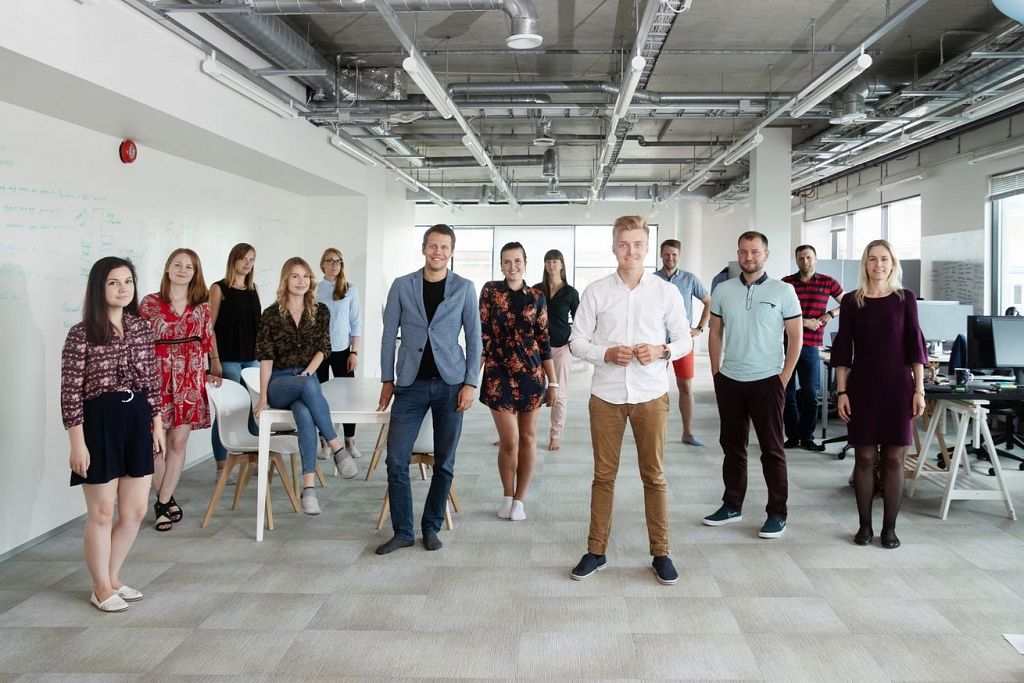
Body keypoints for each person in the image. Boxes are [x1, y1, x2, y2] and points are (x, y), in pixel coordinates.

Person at [568, 216, 691, 585]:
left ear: (647, 248)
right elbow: (577, 342)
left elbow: (684, 339)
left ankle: (661, 553)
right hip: (606, 396)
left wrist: (662, 350)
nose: (631, 251)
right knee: (603, 476)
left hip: (650, 394)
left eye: (637, 245)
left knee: (654, 476)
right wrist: (605, 354)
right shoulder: (596, 292)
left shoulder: (665, 292)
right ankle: (596, 551)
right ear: (613, 247)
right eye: (624, 244)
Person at [61, 257, 166, 611]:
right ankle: (101, 587)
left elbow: (152, 380)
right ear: (99, 288)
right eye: (113, 283)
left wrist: (157, 424)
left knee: (135, 509)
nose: (123, 289)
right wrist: (77, 442)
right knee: (103, 511)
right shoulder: (81, 333)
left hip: (137, 419)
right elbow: (70, 392)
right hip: (99, 422)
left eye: (128, 282)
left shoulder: (141, 328)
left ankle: (114, 577)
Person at [375, 224, 481, 554]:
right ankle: (403, 531)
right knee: (396, 460)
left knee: (444, 462)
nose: (438, 252)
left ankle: (431, 526)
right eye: (433, 245)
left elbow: (474, 338)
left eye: (444, 247)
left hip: (451, 384)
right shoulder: (402, 285)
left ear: (452, 252)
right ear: (423, 248)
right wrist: (387, 380)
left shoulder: (464, 288)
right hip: (410, 384)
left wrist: (470, 382)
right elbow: (388, 335)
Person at [703, 231, 802, 539]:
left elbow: (796, 337)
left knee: (772, 450)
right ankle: (732, 505)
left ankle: (777, 513)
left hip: (767, 381)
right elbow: (715, 332)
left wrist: (783, 378)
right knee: (732, 447)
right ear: (738, 254)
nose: (749, 257)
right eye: (744, 252)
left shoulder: (783, 291)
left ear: (766, 255)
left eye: (755, 252)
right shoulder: (723, 290)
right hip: (730, 380)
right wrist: (716, 373)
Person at [831, 240, 927, 550]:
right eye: (872, 259)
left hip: (898, 386)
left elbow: (915, 345)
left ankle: (889, 528)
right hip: (862, 386)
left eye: (884, 259)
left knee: (894, 458)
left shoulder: (905, 298)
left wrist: (919, 389)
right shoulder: (852, 301)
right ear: (865, 264)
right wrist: (841, 391)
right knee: (865, 457)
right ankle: (864, 525)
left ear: (893, 263)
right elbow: (843, 348)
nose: (878, 265)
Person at [253, 257, 359, 516]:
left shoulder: (320, 311)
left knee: (304, 411)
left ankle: (308, 489)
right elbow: (266, 359)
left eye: (305, 276)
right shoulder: (271, 315)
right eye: (295, 276)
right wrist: (263, 396)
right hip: (279, 382)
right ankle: (336, 446)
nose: (301, 281)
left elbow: (324, 348)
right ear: (285, 280)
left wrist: (308, 372)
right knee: (309, 386)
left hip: (306, 377)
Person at [139, 248, 221, 531]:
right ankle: (167, 497)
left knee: (177, 443)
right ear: (167, 268)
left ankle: (162, 503)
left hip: (189, 378)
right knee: (152, 444)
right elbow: (137, 345)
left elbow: (206, 341)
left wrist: (211, 370)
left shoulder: (202, 306)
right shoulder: (149, 303)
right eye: (178, 265)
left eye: (189, 267)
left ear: (195, 273)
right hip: (156, 379)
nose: (183, 270)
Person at [480, 242, 558, 521]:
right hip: (497, 374)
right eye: (507, 261)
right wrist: (468, 380)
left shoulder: (537, 296)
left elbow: (543, 340)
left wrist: (554, 383)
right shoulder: (490, 291)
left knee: (528, 438)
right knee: (510, 440)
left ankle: (520, 500)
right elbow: (484, 336)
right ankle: (507, 494)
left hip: (531, 375)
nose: (512, 266)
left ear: (525, 262)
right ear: (501, 265)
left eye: (517, 261)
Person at [781, 244, 844, 452]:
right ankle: (792, 436)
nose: (805, 261)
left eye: (808, 257)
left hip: (811, 346)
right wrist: (804, 322)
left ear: (815, 259)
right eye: (801, 258)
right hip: (788, 345)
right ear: (796, 260)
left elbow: (848, 302)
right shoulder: (786, 283)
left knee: (810, 393)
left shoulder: (827, 282)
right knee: (787, 393)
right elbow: (776, 312)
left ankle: (807, 436)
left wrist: (831, 314)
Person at [208, 243, 261, 482]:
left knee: (254, 409)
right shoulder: (218, 289)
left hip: (252, 358)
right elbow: (209, 328)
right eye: (244, 258)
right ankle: (222, 466)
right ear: (234, 260)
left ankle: (256, 460)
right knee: (227, 411)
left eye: (252, 259)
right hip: (227, 358)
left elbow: (258, 326)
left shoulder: (254, 289)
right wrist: (214, 359)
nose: (248, 263)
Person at [654, 239, 711, 446]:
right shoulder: (652, 279)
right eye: (667, 254)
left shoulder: (690, 279)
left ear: (679, 256)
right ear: (661, 255)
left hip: (682, 341)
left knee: (685, 386)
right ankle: (654, 433)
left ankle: (688, 433)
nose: (670, 258)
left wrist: (700, 328)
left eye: (674, 255)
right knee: (654, 388)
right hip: (657, 342)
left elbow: (708, 301)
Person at [316, 247, 362, 459]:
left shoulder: (350, 289)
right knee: (319, 398)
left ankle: (349, 441)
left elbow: (355, 322)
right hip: (319, 352)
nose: (334, 265)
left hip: (343, 350)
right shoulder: (315, 289)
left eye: (338, 261)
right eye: (330, 260)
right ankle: (325, 443)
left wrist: (355, 352)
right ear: (322, 264)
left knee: (349, 398)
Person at [536, 248, 579, 452]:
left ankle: (555, 435)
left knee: (559, 394)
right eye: (548, 261)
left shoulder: (570, 293)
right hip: (537, 349)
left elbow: (581, 320)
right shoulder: (537, 290)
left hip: (561, 347)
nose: (551, 265)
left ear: (562, 265)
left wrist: (574, 341)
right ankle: (518, 433)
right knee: (530, 391)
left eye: (555, 261)